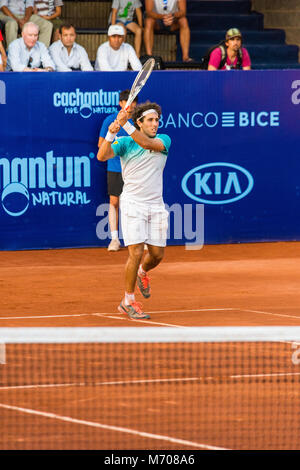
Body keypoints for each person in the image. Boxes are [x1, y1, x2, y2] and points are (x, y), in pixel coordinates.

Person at [97, 102, 171, 320]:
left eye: (156, 120)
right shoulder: (126, 143)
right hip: (132, 204)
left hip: (156, 205)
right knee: (136, 252)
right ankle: (127, 300)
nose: (155, 124)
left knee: (157, 255)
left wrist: (124, 124)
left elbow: (148, 144)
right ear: (140, 122)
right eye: (150, 120)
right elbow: (102, 156)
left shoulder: (163, 140)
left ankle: (142, 272)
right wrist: (112, 133)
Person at [98, 89, 138, 252]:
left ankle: (139, 239)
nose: (132, 104)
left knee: (137, 204)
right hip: (115, 167)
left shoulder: (139, 121)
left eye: (134, 101)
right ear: (121, 103)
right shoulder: (110, 120)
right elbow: (101, 145)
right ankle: (115, 239)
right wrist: (117, 148)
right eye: (129, 101)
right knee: (114, 202)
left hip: (134, 169)